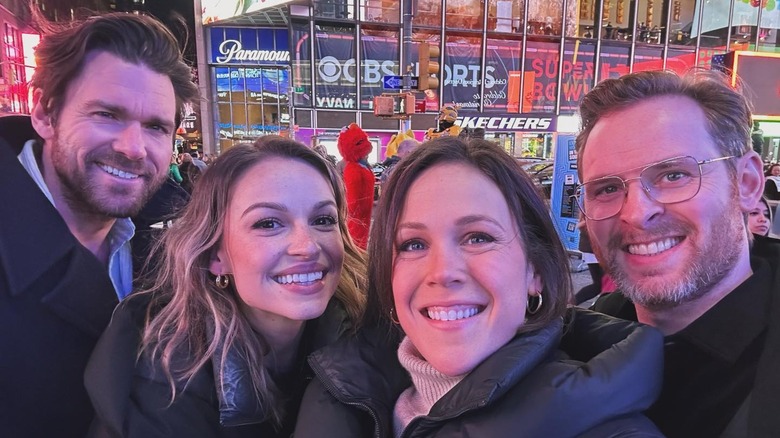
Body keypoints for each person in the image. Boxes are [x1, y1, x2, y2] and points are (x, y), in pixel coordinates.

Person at [295, 137, 664, 437]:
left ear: (534, 269)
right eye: (413, 244)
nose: (443, 272)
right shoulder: (338, 395)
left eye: (477, 237)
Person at [0, 12, 198, 438]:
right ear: (46, 114)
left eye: (156, 127)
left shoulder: (176, 248)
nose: (133, 148)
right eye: (107, 114)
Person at [85, 139, 367, 437]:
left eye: (322, 220)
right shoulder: (161, 383)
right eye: (269, 224)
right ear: (215, 257)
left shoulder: (368, 339)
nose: (307, 246)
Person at [576, 70, 780, 437]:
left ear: (747, 184)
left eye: (673, 175)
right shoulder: (574, 344)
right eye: (606, 188)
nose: (636, 212)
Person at [337, 123, 374, 249]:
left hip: (363, 214)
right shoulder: (353, 168)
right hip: (357, 216)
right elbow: (352, 198)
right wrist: (354, 214)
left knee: (361, 240)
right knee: (356, 243)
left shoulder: (362, 165)